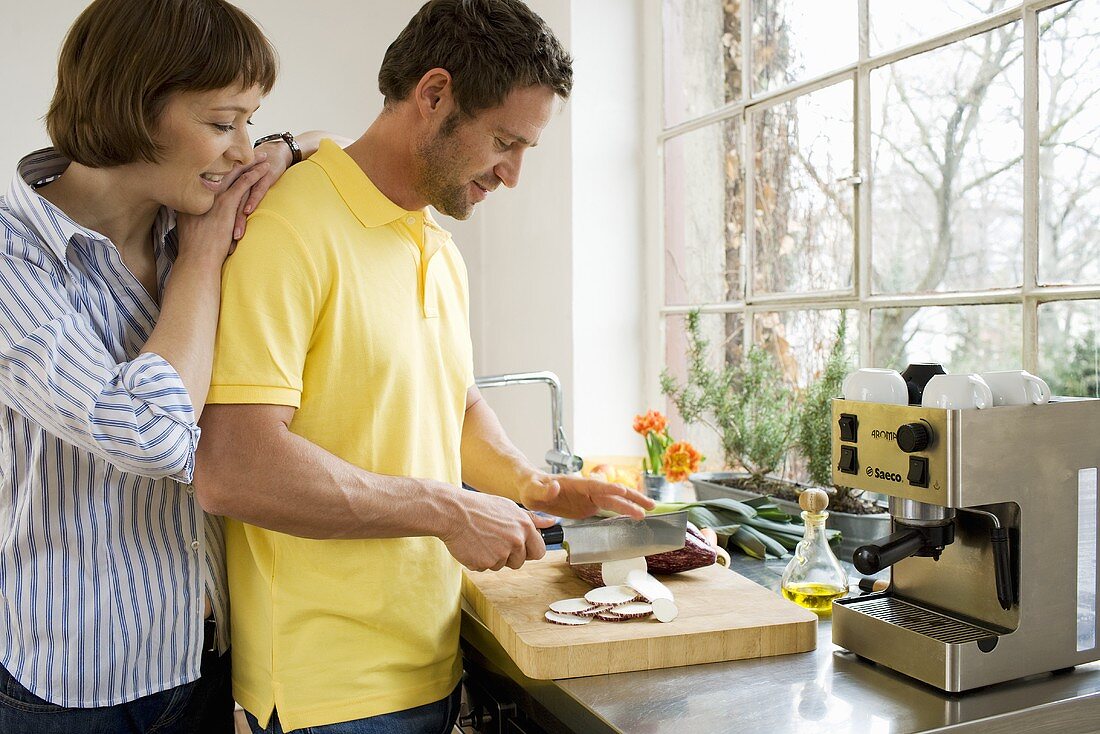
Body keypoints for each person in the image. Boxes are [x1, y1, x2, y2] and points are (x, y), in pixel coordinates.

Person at [191, 1, 655, 732]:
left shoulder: (436, 245)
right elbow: (234, 468)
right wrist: (447, 507)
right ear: (433, 94)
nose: (513, 175)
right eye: (505, 141)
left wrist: (540, 486)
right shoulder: (287, 226)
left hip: (432, 661)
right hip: (328, 694)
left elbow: (452, 401)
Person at [0, 1, 328, 731]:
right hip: (68, 684)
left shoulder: (189, 203)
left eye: (251, 120)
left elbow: (324, 141)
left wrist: (280, 147)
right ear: (132, 109)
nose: (241, 149)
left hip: (201, 658)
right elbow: (153, 434)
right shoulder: (12, 253)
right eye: (222, 124)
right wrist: (205, 254)